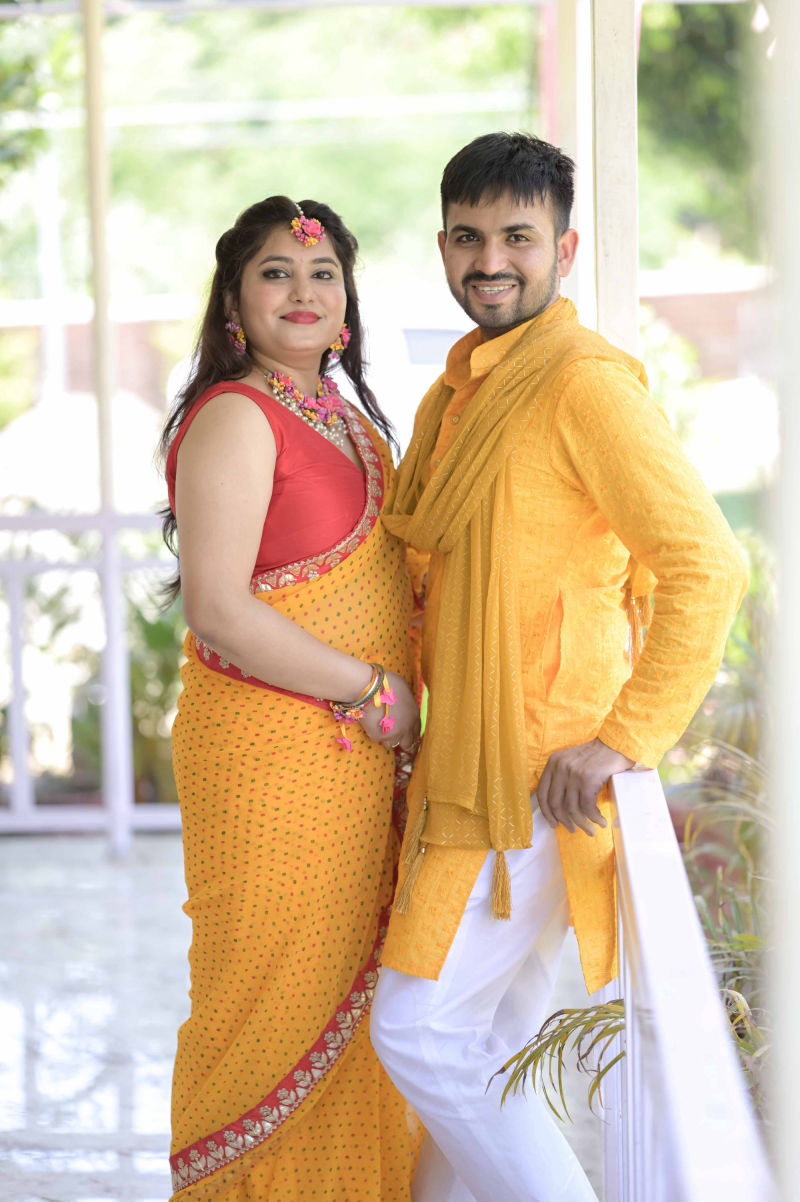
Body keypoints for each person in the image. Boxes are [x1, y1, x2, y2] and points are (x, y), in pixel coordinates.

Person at [369, 132, 748, 1202]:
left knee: (420, 1031)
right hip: (473, 761)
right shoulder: (458, 392)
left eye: (517, 237)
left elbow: (706, 564)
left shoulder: (582, 385)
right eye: (468, 237)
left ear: (564, 249)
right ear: (443, 245)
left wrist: (623, 737)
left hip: (535, 775)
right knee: (488, 1042)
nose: (490, 260)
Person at [160, 195, 423, 1201]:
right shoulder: (236, 415)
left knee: (355, 993)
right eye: (275, 272)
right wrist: (376, 690)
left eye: (322, 274)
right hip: (270, 757)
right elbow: (220, 608)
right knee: (264, 994)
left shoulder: (349, 421)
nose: (302, 291)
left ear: (347, 300)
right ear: (234, 303)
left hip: (353, 761)